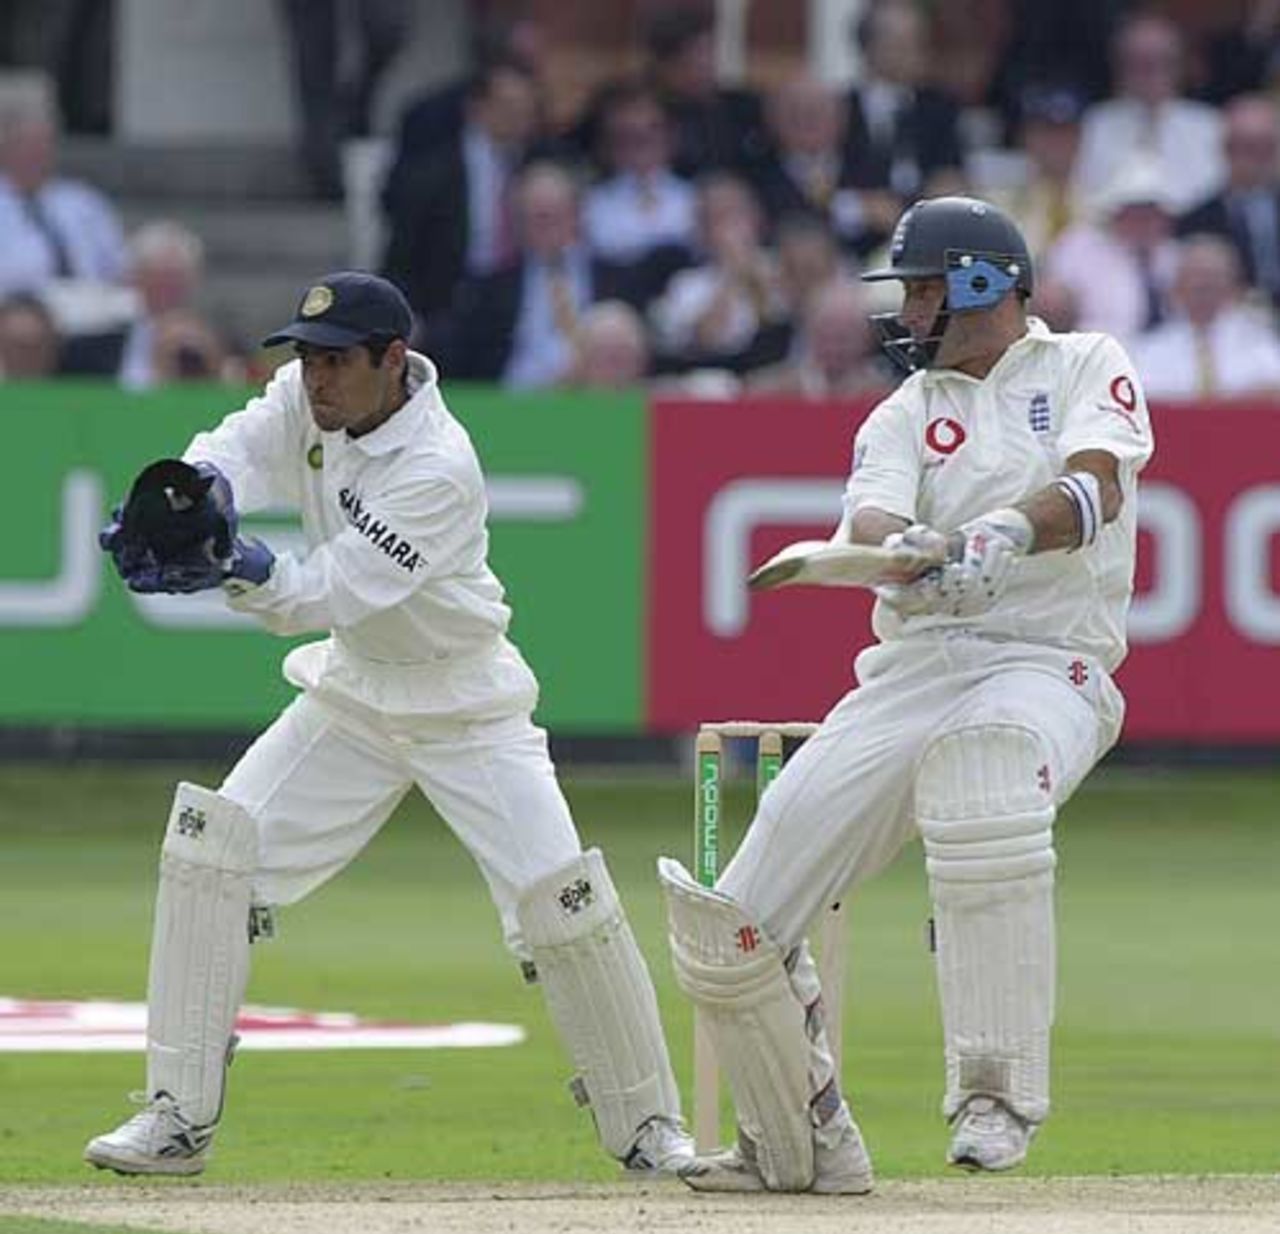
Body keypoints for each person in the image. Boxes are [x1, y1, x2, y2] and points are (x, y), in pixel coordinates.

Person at [84, 271, 694, 1178]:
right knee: (213, 853)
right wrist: (194, 498)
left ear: (392, 360)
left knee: (561, 906)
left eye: (335, 363)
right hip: (354, 696)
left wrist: (231, 563)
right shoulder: (305, 395)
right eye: (307, 360)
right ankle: (175, 1118)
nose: (314, 380)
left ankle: (650, 1128)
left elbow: (328, 591)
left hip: (467, 705)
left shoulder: (439, 466)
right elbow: (235, 447)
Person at [659, 197, 1153, 1192]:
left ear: (981, 283)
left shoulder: (1082, 362)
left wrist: (1001, 536)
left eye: (922, 289)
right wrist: (910, 557)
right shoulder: (898, 411)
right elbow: (874, 520)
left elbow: (1094, 485)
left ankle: (993, 1089)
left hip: (1044, 659)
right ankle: (796, 1142)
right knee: (728, 927)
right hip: (913, 669)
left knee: (982, 774)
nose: (909, 310)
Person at [1131, 234, 1280, 399]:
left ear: (1233, 285)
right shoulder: (1149, 349)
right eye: (1195, 276)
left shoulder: (1259, 341)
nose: (1203, 285)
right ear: (1177, 286)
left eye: (1213, 276)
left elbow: (1273, 388)